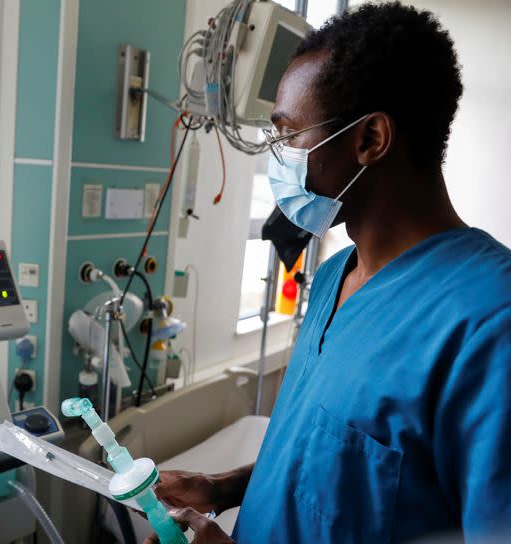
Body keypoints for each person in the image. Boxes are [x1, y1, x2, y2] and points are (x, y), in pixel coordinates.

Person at [145, 2, 511, 543]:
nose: (277, 157)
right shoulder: (337, 274)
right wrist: (222, 488)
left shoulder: (489, 326)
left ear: (370, 140)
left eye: (288, 135)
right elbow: (338, 469)